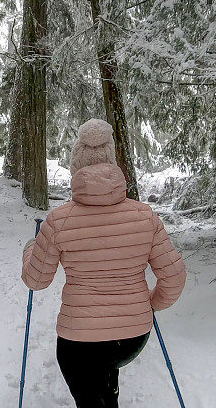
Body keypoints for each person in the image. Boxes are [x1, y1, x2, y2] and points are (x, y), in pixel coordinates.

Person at [22, 118, 187, 408]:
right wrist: (152, 303)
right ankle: (109, 395)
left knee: (88, 387)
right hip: (132, 337)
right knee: (105, 374)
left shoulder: (59, 221)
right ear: (114, 165)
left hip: (79, 342)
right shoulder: (144, 216)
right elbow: (174, 276)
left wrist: (30, 249)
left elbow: (36, 280)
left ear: (76, 168)